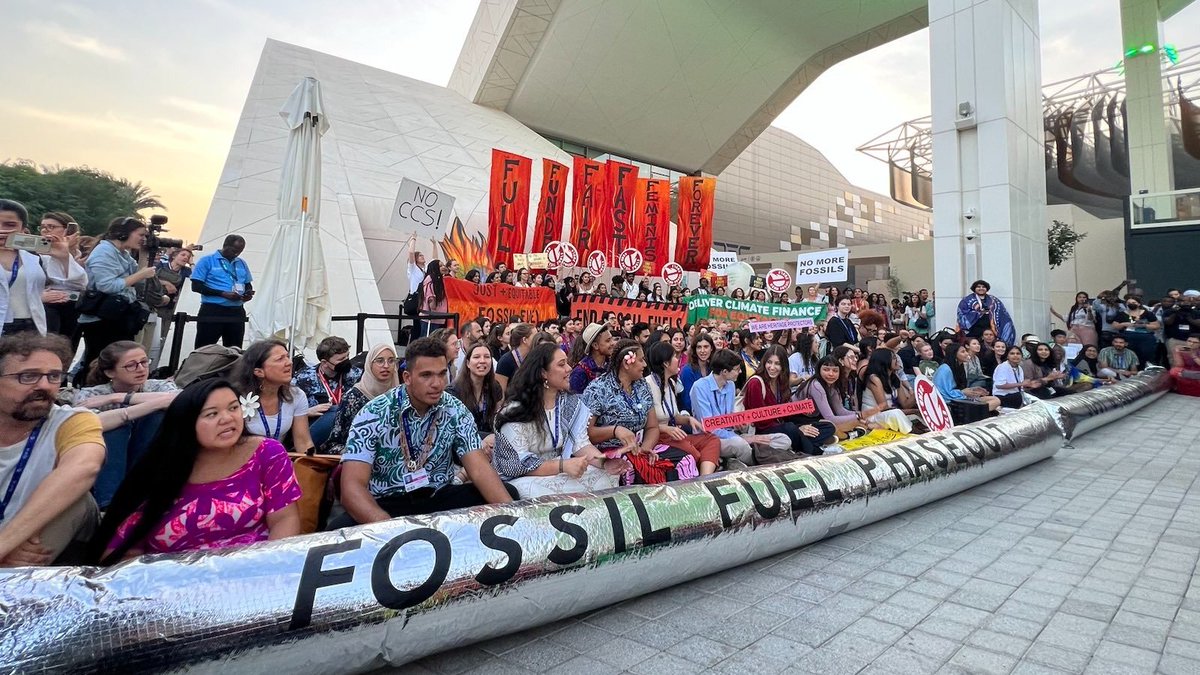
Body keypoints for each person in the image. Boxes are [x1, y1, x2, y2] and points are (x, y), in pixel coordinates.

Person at [92, 379, 301, 563]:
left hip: (253, 574)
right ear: (186, 423)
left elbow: (284, 519)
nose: (227, 418)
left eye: (233, 408)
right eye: (212, 414)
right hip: (173, 587)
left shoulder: (266, 452)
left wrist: (273, 567)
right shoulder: (159, 471)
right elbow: (124, 551)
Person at [332, 338, 516, 525]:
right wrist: (390, 530)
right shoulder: (374, 413)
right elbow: (352, 488)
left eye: (442, 374)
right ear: (407, 378)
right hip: (389, 501)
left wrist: (512, 516)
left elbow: (479, 469)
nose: (437, 383)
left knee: (507, 494)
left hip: (437, 496)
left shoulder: (454, 409)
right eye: (426, 375)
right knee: (340, 528)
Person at [0, 333, 104, 566]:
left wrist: (4, 546)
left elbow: (84, 468)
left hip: (34, 539)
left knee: (78, 501)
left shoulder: (73, 421)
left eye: (54, 376)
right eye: (28, 376)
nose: (45, 386)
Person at [493, 344, 618, 497]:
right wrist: (562, 466)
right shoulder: (515, 411)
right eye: (561, 364)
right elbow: (518, 464)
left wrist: (605, 463)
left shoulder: (569, 403)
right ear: (543, 373)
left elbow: (581, 444)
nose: (569, 368)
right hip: (523, 478)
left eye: (567, 362)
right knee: (535, 491)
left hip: (558, 471)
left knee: (607, 476)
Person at [73, 341, 178, 507]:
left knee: (155, 416)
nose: (141, 369)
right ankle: (109, 505)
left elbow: (181, 399)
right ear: (110, 372)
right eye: (131, 365)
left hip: (149, 460)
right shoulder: (91, 394)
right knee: (115, 427)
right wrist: (126, 415)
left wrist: (120, 398)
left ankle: (140, 497)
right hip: (106, 462)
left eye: (144, 362)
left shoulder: (158, 385)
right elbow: (90, 423)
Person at [76, 218, 158, 378]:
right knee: (100, 361)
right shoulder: (104, 251)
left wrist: (144, 254)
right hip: (101, 318)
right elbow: (107, 286)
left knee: (118, 360)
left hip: (118, 316)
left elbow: (138, 277)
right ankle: (89, 391)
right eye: (140, 235)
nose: (143, 239)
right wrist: (141, 274)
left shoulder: (123, 253)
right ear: (123, 234)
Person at [582, 340, 673, 481]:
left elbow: (652, 427)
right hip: (609, 452)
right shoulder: (598, 389)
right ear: (626, 363)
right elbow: (585, 433)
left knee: (682, 460)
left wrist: (644, 449)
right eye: (641, 360)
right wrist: (615, 430)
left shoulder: (642, 385)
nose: (645, 365)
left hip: (637, 448)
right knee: (637, 470)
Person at [690, 349, 787, 468]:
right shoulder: (699, 387)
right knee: (739, 444)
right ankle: (761, 465)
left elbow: (729, 417)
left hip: (732, 434)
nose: (740, 372)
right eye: (737, 369)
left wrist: (739, 422)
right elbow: (709, 427)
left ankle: (740, 459)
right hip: (711, 439)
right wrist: (748, 439)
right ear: (725, 371)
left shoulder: (730, 385)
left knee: (783, 439)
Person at [0, 201, 83, 338]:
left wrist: (63, 257)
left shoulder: (35, 258)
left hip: (30, 328)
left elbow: (77, 284)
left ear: (23, 229)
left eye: (10, 225)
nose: (2, 230)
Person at [644, 341, 721, 475]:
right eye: (675, 357)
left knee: (712, 439)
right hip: (657, 437)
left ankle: (705, 479)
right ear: (666, 363)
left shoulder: (671, 383)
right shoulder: (647, 385)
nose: (679, 359)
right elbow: (642, 424)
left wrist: (688, 420)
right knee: (694, 454)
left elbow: (674, 415)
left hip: (673, 434)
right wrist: (666, 428)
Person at [744, 345, 835, 456]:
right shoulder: (756, 383)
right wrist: (798, 429)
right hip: (764, 429)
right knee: (791, 428)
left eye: (777, 364)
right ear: (764, 363)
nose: (772, 367)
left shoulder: (780, 381)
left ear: (783, 366)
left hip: (782, 425)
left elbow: (785, 414)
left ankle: (801, 442)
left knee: (827, 426)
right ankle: (815, 451)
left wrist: (799, 410)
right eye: (769, 362)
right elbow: (761, 421)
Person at [232, 339, 315, 453]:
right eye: (280, 359)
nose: (289, 362)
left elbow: (303, 442)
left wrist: (310, 467)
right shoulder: (235, 397)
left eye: (287, 356)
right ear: (258, 372)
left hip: (277, 462)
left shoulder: (296, 395)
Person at [321, 342, 399, 454]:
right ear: (369, 364)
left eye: (391, 361)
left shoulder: (400, 395)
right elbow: (334, 444)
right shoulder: (354, 398)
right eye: (380, 361)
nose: (386, 366)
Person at [292, 336, 363, 448]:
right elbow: (286, 410)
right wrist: (307, 412)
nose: (346, 362)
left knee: (338, 410)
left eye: (347, 356)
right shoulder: (303, 378)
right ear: (324, 362)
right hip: (316, 430)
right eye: (340, 360)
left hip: (348, 430)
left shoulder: (356, 375)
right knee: (335, 410)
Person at [33, 210, 88, 344]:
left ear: (68, 230)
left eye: (51, 227)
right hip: (47, 306)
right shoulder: (35, 253)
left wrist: (64, 254)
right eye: (43, 227)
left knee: (68, 348)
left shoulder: (78, 254)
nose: (45, 230)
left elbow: (81, 283)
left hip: (73, 305)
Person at [191, 235, 254, 349]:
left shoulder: (241, 263)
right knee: (205, 348)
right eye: (234, 251)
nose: (236, 254)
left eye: (240, 251)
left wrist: (248, 293)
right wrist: (222, 294)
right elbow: (196, 286)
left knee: (234, 349)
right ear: (225, 246)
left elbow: (247, 283)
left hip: (236, 310)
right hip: (213, 309)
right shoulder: (207, 261)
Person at [450, 341, 502, 440]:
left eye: (487, 357)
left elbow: (496, 421)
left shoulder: (495, 388)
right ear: (468, 363)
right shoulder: (453, 392)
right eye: (477, 357)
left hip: (490, 445)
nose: (482, 361)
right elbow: (454, 429)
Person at [860, 349, 917, 433]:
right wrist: (914, 411)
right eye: (894, 358)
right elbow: (884, 408)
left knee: (918, 415)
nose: (897, 360)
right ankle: (914, 434)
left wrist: (918, 393)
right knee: (896, 413)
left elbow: (905, 404)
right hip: (874, 416)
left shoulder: (895, 377)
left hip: (891, 413)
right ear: (884, 360)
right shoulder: (874, 378)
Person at [933, 344, 1001, 411]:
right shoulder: (945, 369)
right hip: (950, 403)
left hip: (961, 398)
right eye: (963, 352)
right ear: (954, 354)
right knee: (993, 403)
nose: (967, 354)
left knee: (995, 400)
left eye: (966, 351)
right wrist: (963, 392)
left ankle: (978, 412)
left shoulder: (960, 367)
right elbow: (944, 394)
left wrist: (973, 390)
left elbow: (961, 388)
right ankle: (977, 413)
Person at [956, 279, 1016, 346]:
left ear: (986, 289)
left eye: (983, 287)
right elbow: (962, 313)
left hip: (989, 329)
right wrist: (979, 313)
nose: (981, 288)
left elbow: (1001, 313)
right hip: (973, 330)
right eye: (978, 287)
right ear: (974, 288)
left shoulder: (994, 300)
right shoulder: (966, 300)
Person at [154, 247, 193, 339]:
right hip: (153, 300)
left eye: (188, 257)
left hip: (168, 306)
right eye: (183, 255)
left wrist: (192, 263)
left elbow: (196, 277)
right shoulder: (161, 265)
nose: (185, 258)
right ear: (174, 256)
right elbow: (148, 278)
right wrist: (166, 283)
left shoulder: (185, 271)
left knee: (162, 334)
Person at [1112, 296, 1160, 367]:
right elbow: (1114, 326)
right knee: (1130, 356)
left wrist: (1144, 325)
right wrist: (1124, 324)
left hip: (1145, 338)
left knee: (1146, 355)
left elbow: (1156, 326)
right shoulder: (1122, 314)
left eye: (1133, 302)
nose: (1131, 304)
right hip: (1128, 338)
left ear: (1139, 304)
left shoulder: (1147, 313)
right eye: (1129, 303)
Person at [568, 323, 615, 394]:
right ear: (595, 345)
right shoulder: (579, 372)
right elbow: (575, 401)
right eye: (608, 341)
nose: (613, 343)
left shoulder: (612, 365)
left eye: (612, 339)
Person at [495, 323, 535, 392]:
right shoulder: (506, 361)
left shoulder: (533, 358)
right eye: (535, 336)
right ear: (524, 340)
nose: (538, 339)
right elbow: (500, 393)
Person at [679, 333, 714, 412]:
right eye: (699, 347)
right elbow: (687, 401)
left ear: (711, 348)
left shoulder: (713, 368)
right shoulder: (687, 371)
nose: (702, 351)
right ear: (695, 350)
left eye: (706, 347)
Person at [1163, 290, 1200, 356]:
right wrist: (1175, 313)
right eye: (1182, 301)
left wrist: (1190, 319)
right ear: (1177, 302)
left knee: (1192, 358)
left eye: (1187, 301)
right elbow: (1168, 322)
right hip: (1175, 339)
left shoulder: (1196, 312)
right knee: (1174, 358)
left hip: (1192, 341)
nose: (1185, 303)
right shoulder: (1170, 311)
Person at [420, 259, 449, 337]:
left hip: (439, 317)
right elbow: (430, 297)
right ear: (435, 268)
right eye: (440, 266)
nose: (443, 267)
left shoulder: (440, 279)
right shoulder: (430, 279)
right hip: (431, 317)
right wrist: (433, 306)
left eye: (443, 265)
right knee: (428, 341)